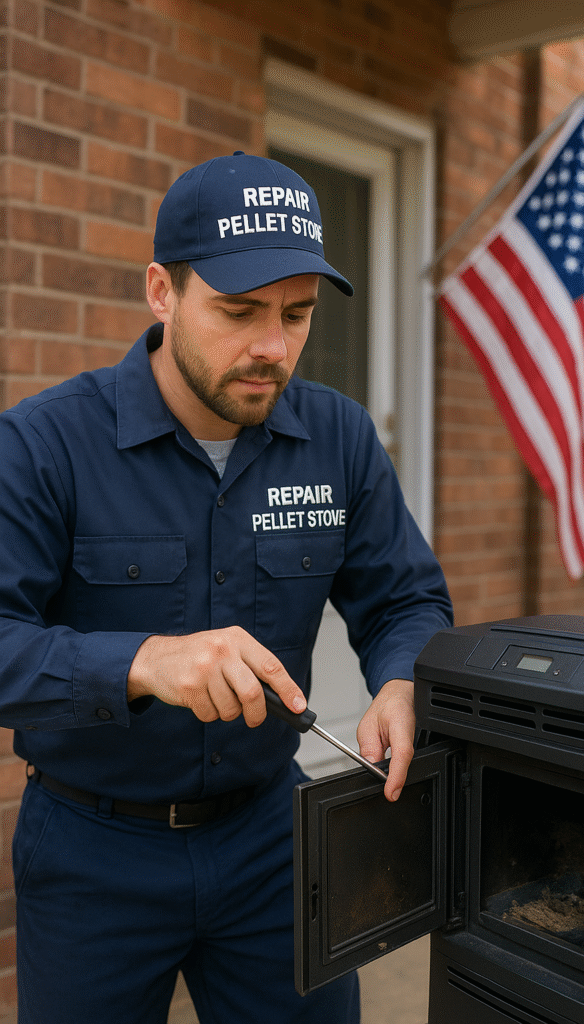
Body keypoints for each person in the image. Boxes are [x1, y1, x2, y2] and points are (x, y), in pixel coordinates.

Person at [0, 151, 453, 1023]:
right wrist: (141, 662)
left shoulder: (340, 439)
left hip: (273, 843)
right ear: (161, 293)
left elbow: (405, 600)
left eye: (296, 314)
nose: (271, 347)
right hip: (93, 852)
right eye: (238, 311)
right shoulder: (44, 445)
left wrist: (403, 679)